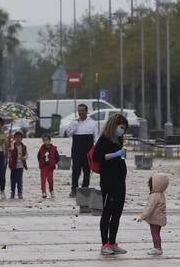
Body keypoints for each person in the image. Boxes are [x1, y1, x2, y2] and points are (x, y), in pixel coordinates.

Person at [94, 113, 130, 256]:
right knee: (107, 212)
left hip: (120, 180)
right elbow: (98, 156)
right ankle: (105, 244)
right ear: (114, 125)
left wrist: (121, 154)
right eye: (121, 127)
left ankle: (113, 242)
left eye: (125, 129)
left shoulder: (119, 139)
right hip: (109, 181)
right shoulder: (104, 140)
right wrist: (114, 154)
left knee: (117, 213)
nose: (123, 130)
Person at [63, 103, 98, 197]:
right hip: (76, 149)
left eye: (82, 110)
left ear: (86, 111)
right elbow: (68, 134)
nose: (80, 112)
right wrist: (73, 127)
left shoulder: (92, 122)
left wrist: (95, 150)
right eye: (79, 111)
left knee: (87, 171)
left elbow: (96, 138)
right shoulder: (74, 122)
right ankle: (74, 189)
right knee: (76, 170)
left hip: (88, 150)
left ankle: (85, 189)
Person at [136, 173, 169, 256]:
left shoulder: (154, 196)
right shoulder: (161, 194)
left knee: (155, 234)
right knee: (157, 233)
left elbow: (149, 208)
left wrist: (142, 217)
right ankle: (158, 247)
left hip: (155, 219)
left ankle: (157, 248)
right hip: (160, 218)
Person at [36, 134, 60, 199]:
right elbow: (38, 156)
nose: (45, 141)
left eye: (47, 140)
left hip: (50, 167)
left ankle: (51, 191)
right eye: (44, 140)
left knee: (50, 180)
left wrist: (55, 163)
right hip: (43, 167)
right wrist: (41, 163)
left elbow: (57, 157)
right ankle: (44, 192)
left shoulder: (54, 149)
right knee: (43, 180)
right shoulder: (41, 149)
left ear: (50, 140)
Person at [7, 129, 28, 199]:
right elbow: (9, 152)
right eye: (16, 137)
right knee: (13, 179)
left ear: (22, 138)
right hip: (13, 166)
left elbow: (26, 155)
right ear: (14, 138)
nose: (18, 139)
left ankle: (19, 192)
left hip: (20, 166)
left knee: (19, 180)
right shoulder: (12, 145)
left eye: (19, 137)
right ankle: (12, 192)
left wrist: (24, 158)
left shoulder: (24, 147)